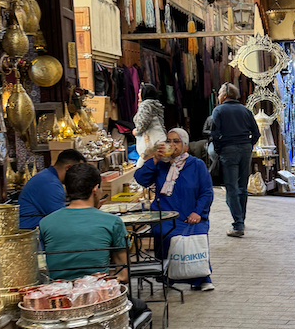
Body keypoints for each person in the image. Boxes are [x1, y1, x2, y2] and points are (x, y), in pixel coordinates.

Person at [134, 128, 214, 290]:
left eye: (176, 141)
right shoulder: (160, 164)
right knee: (166, 233)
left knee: (194, 234)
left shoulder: (196, 165)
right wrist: (155, 159)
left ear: (185, 145)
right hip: (165, 216)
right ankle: (168, 275)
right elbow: (141, 179)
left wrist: (197, 212)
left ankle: (200, 277)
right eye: (168, 141)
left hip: (190, 215)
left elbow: (206, 192)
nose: (171, 145)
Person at [39, 162, 129, 281]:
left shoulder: (45, 223)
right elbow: (123, 275)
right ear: (95, 189)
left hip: (58, 290)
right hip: (98, 290)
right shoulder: (113, 222)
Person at [211, 83, 259, 238]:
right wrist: (248, 144)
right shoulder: (245, 110)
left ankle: (238, 224)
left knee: (231, 187)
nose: (218, 96)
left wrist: (219, 149)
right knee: (242, 187)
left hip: (229, 149)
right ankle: (241, 220)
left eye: (219, 93)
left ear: (225, 95)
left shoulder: (219, 110)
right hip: (245, 149)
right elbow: (256, 133)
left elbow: (214, 133)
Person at [18, 149, 84, 229]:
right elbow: (63, 221)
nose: (79, 177)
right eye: (78, 172)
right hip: (32, 232)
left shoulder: (47, 176)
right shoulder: (49, 183)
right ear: (68, 168)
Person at [133, 83, 166, 160]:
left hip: (151, 144)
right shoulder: (156, 104)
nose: (138, 94)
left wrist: (136, 132)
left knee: (143, 164)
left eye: (140, 92)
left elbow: (142, 124)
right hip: (160, 139)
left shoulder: (146, 105)